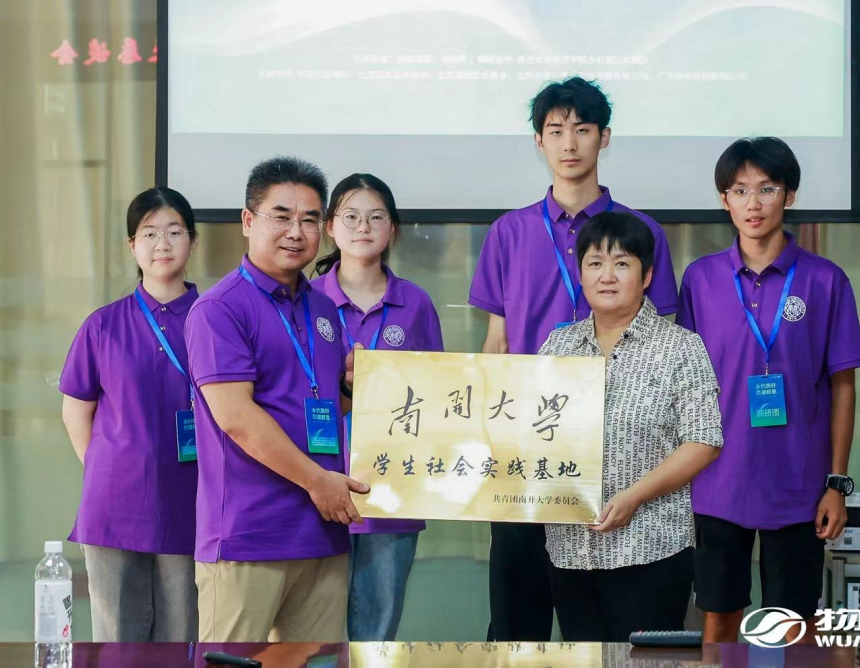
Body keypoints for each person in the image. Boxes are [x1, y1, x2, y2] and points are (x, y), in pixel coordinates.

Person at [469, 76, 679, 641]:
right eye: (556, 130)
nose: (569, 143)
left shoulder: (642, 231)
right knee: (517, 622)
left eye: (582, 129)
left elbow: (660, 342)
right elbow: (497, 344)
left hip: (619, 453)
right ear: (538, 141)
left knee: (609, 626)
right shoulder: (509, 232)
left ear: (603, 138)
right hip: (529, 450)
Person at [676, 137, 860, 642]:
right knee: (719, 617)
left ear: (790, 195)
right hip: (718, 480)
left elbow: (843, 387)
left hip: (800, 485)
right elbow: (684, 384)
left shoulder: (826, 280)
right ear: (724, 200)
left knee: (791, 627)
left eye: (767, 189)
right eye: (740, 190)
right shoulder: (700, 279)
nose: (754, 203)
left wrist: (837, 483)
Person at [184, 156, 369, 642]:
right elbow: (236, 417)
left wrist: (351, 388)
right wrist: (318, 482)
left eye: (310, 220)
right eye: (281, 216)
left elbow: (317, 405)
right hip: (248, 537)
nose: (296, 232)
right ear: (248, 221)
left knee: (318, 662)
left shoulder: (323, 307)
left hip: (322, 533)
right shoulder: (219, 309)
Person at [538, 211, 722, 641]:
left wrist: (632, 498)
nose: (607, 275)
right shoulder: (557, 346)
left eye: (622, 263)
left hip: (651, 547)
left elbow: (704, 440)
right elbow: (532, 433)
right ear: (580, 273)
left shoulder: (680, 347)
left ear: (647, 275)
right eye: (595, 263)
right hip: (570, 549)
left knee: (647, 663)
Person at [58, 187, 200, 641]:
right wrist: (111, 469)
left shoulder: (215, 319)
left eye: (174, 231)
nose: (162, 244)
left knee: (182, 638)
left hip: (193, 502)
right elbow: (76, 410)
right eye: (149, 233)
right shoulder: (103, 325)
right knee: (117, 642)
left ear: (192, 240)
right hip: (114, 507)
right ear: (132, 245)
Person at [310, 173, 444, 641]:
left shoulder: (416, 304)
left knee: (376, 640)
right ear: (330, 226)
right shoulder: (305, 301)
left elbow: (438, 396)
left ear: (393, 229)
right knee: (312, 638)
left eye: (375, 217)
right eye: (350, 216)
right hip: (315, 489)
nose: (363, 226)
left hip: (392, 494)